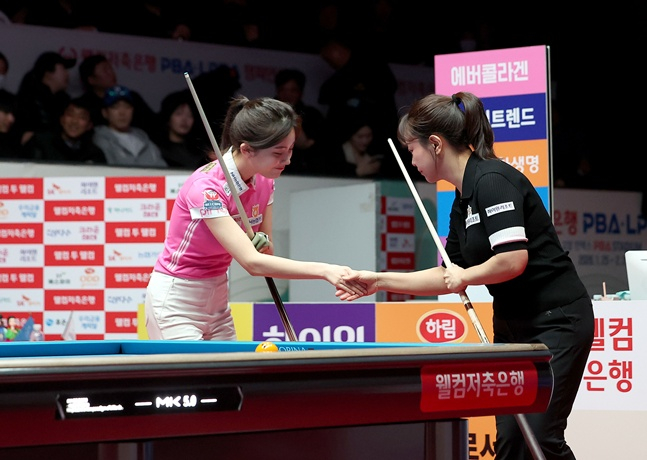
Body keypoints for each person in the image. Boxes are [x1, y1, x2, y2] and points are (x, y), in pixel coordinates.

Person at [338, 91, 594, 460]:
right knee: (511, 441)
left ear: (435, 144)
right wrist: (378, 280)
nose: (412, 160)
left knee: (539, 439)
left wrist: (466, 276)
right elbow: (448, 274)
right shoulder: (463, 198)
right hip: (512, 326)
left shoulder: (492, 180)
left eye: (413, 149)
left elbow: (513, 260)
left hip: (557, 321)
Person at [145, 95, 365, 341]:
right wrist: (325, 270)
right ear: (247, 149)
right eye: (278, 152)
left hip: (218, 300)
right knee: (196, 368)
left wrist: (262, 242)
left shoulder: (265, 182)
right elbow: (253, 263)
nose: (288, 160)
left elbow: (265, 255)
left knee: (230, 368)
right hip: (176, 300)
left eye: (290, 149)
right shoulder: (206, 187)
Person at [77, 53, 157, 136]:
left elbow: (152, 124)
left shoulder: (131, 97)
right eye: (105, 70)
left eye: (111, 68)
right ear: (91, 80)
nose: (111, 73)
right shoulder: (84, 105)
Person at [93, 85, 168, 167]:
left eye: (127, 106)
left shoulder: (145, 140)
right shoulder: (98, 141)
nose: (122, 113)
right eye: (115, 107)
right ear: (105, 113)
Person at [13, 51, 76, 145]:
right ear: (48, 73)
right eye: (64, 69)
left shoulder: (63, 101)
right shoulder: (28, 100)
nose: (67, 74)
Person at [23, 96, 107, 164]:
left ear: (89, 125)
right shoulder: (41, 143)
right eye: (70, 115)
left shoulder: (94, 154)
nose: (74, 121)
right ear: (61, 119)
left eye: (82, 117)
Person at [273, 68, 325, 175]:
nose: (287, 95)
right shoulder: (267, 114)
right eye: (283, 90)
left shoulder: (312, 115)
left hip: (305, 172)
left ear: (300, 93)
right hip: (272, 170)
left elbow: (310, 145)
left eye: (293, 90)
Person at [152, 90, 209, 169]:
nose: (184, 120)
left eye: (190, 115)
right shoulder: (155, 150)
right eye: (178, 113)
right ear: (168, 117)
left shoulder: (200, 152)